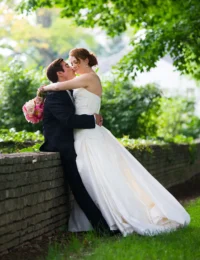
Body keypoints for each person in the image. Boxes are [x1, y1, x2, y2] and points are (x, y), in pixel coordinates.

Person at [38, 48, 190, 236]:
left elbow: (58, 87)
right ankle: (102, 220)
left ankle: (118, 216)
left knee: (101, 177)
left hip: (89, 136)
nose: (73, 66)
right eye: (70, 64)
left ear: (85, 61)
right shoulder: (76, 83)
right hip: (82, 136)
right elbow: (64, 98)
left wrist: (43, 90)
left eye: (75, 62)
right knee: (92, 179)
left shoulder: (89, 78)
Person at [39, 58, 111, 234]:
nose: (71, 67)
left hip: (74, 143)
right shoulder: (55, 96)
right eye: (66, 66)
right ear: (60, 74)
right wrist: (92, 119)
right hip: (62, 146)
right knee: (79, 188)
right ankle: (103, 229)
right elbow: (68, 120)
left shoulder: (67, 91)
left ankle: (104, 225)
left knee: (86, 185)